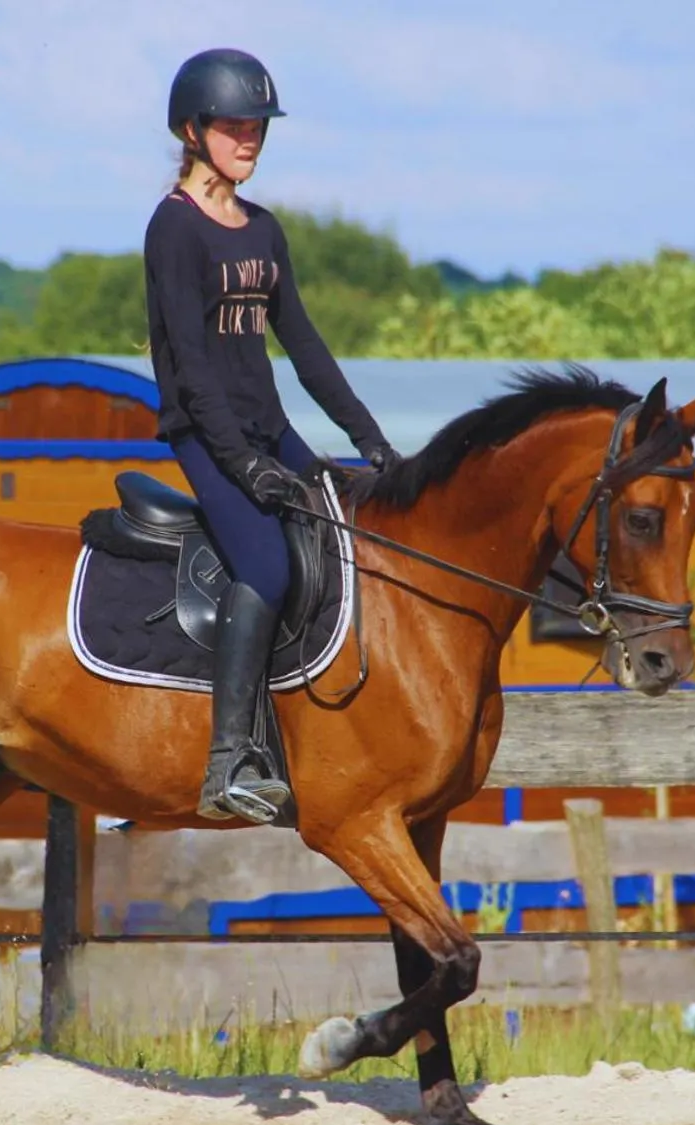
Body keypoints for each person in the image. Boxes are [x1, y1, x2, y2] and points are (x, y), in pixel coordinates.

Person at [143, 47, 399, 826]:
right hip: (205, 434)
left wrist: (372, 443)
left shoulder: (263, 230)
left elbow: (307, 348)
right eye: (232, 125)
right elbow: (190, 370)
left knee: (344, 526)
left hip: (269, 428)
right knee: (265, 564)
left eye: (257, 126)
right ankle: (228, 764)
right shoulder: (174, 230)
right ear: (192, 131)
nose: (249, 137)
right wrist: (241, 466)